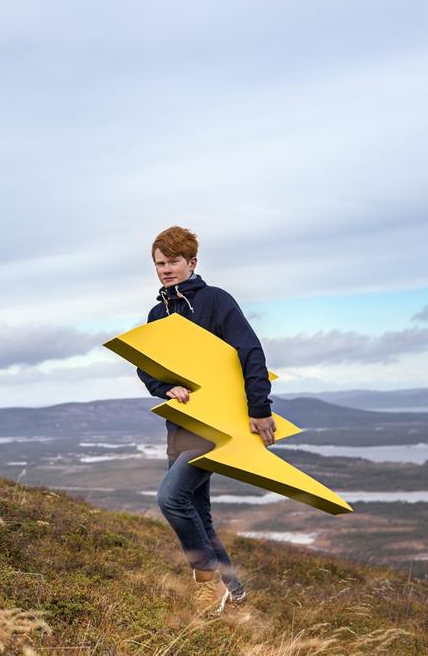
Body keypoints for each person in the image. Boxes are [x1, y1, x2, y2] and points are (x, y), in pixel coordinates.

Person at [136, 226, 277, 616]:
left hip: (219, 425)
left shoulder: (216, 302)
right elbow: (146, 366)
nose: (165, 270)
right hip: (180, 427)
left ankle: (208, 582)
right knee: (198, 513)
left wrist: (260, 408)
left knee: (171, 498)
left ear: (192, 262)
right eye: (159, 264)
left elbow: (250, 352)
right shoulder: (157, 314)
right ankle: (236, 593)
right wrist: (163, 387)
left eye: (173, 262)